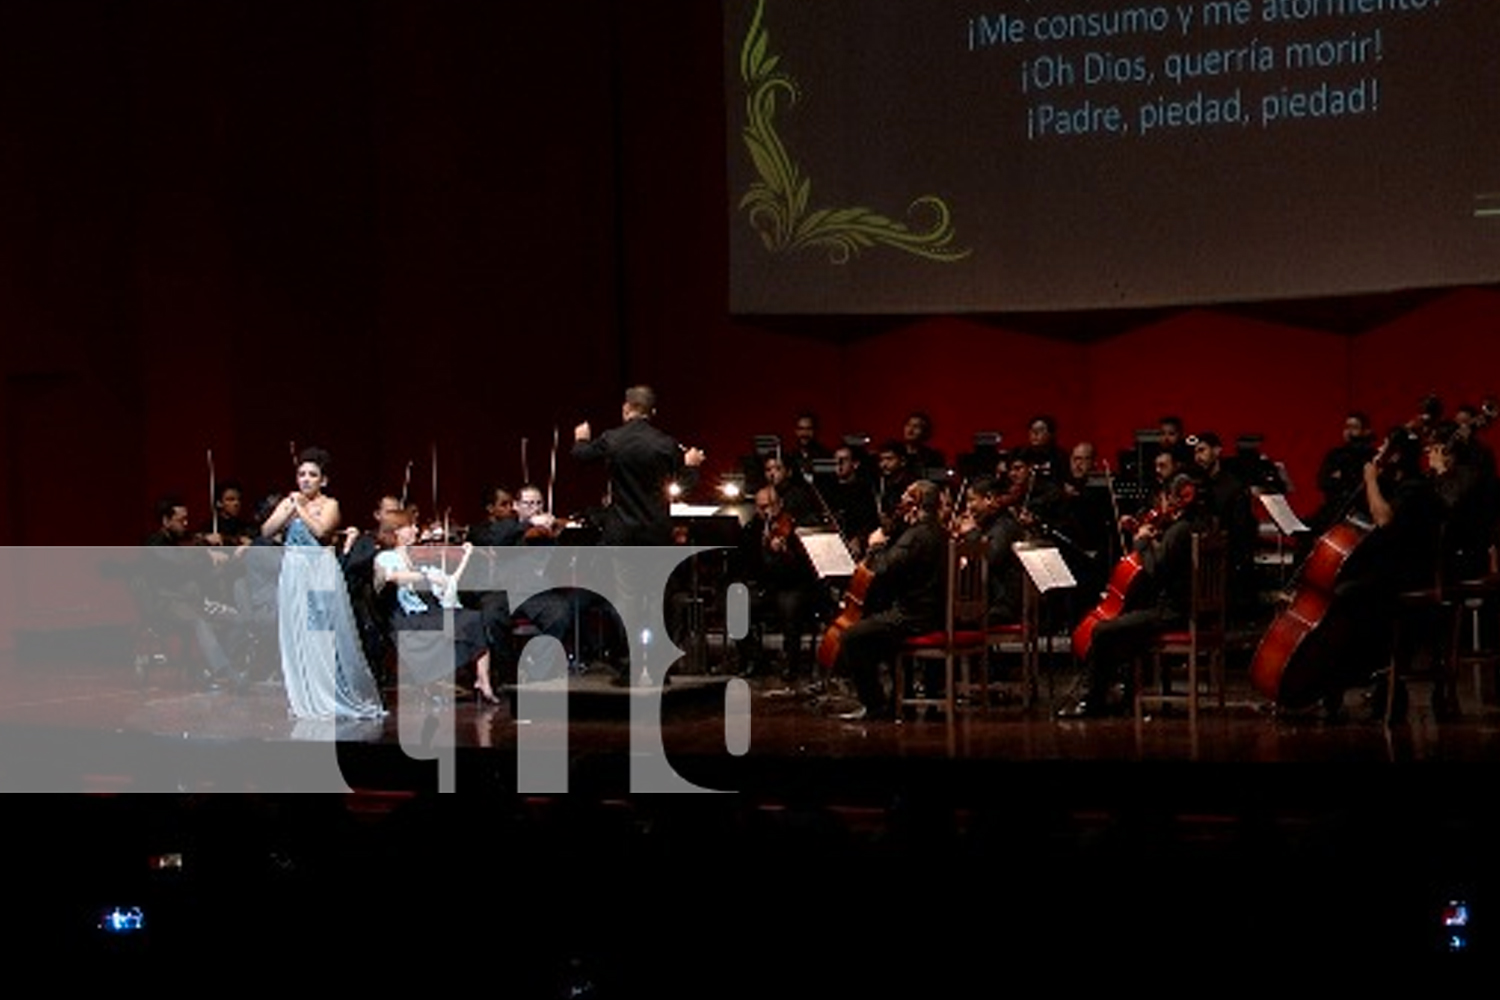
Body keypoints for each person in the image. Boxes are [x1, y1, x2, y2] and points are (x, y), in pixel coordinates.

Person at [573, 386, 704, 684]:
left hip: (622, 535)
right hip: (656, 534)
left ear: (626, 409)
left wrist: (581, 436)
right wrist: (692, 465)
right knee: (659, 598)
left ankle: (631, 665)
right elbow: (684, 485)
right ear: (652, 412)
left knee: (628, 601)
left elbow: (580, 455)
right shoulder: (664, 443)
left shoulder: (612, 439)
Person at [1058, 473, 1210, 718]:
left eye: (1162, 497)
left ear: (1175, 499)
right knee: (1123, 624)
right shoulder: (1195, 526)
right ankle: (1125, 695)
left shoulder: (1180, 531)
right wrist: (1149, 537)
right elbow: (1167, 562)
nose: (1157, 505)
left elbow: (1155, 571)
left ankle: (1093, 700)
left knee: (1103, 630)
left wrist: (1141, 543)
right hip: (1181, 609)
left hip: (1172, 614)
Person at [260, 447, 385, 720]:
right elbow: (267, 531)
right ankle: (306, 696)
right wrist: (287, 510)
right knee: (299, 634)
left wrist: (301, 509)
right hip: (294, 572)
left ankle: (332, 694)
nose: (305, 480)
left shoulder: (330, 505)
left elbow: (321, 530)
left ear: (323, 480)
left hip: (318, 572)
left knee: (322, 634)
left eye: (312, 475)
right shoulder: (289, 503)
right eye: (301, 474)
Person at [831, 479, 947, 721]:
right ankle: (900, 699)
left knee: (851, 637)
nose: (901, 502)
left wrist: (874, 546)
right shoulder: (940, 531)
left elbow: (882, 568)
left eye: (906, 497)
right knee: (877, 633)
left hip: (914, 617)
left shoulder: (917, 535)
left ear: (915, 505)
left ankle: (876, 706)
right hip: (935, 613)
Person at [374, 513, 497, 703]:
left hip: (428, 611)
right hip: (408, 616)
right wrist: (424, 576)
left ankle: (483, 679)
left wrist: (465, 558)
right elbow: (392, 577)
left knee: (474, 618)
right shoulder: (387, 556)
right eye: (411, 526)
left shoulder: (411, 557)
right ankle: (439, 680)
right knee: (467, 620)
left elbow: (449, 583)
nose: (416, 530)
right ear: (397, 532)